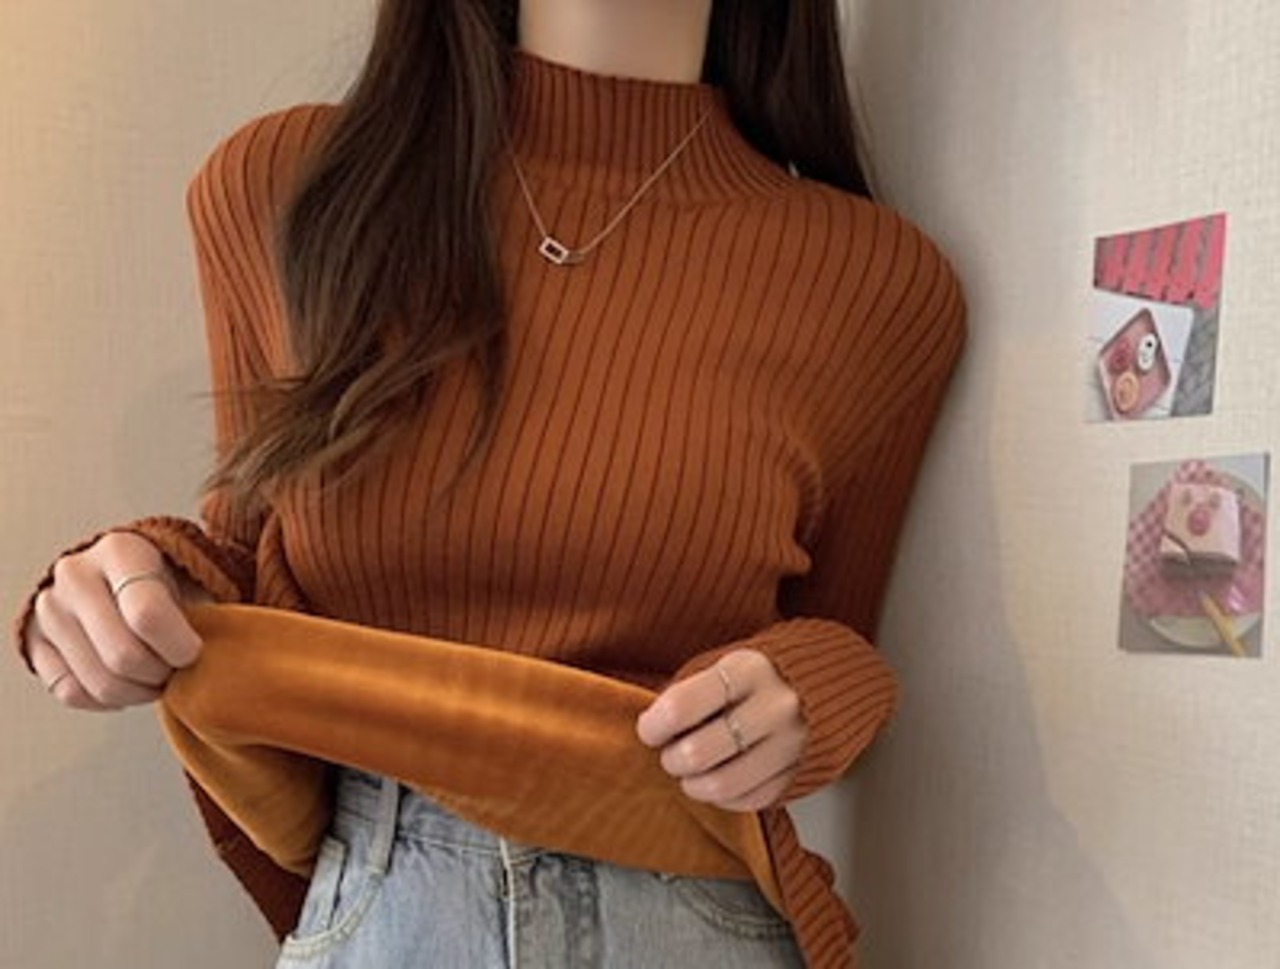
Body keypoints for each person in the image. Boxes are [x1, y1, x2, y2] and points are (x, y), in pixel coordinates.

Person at [14, 1, 965, 967]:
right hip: (386, 903)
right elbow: (255, 562)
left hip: (689, 907)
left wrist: (816, 695)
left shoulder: (875, 282)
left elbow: (838, 635)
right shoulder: (291, 183)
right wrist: (136, 582)